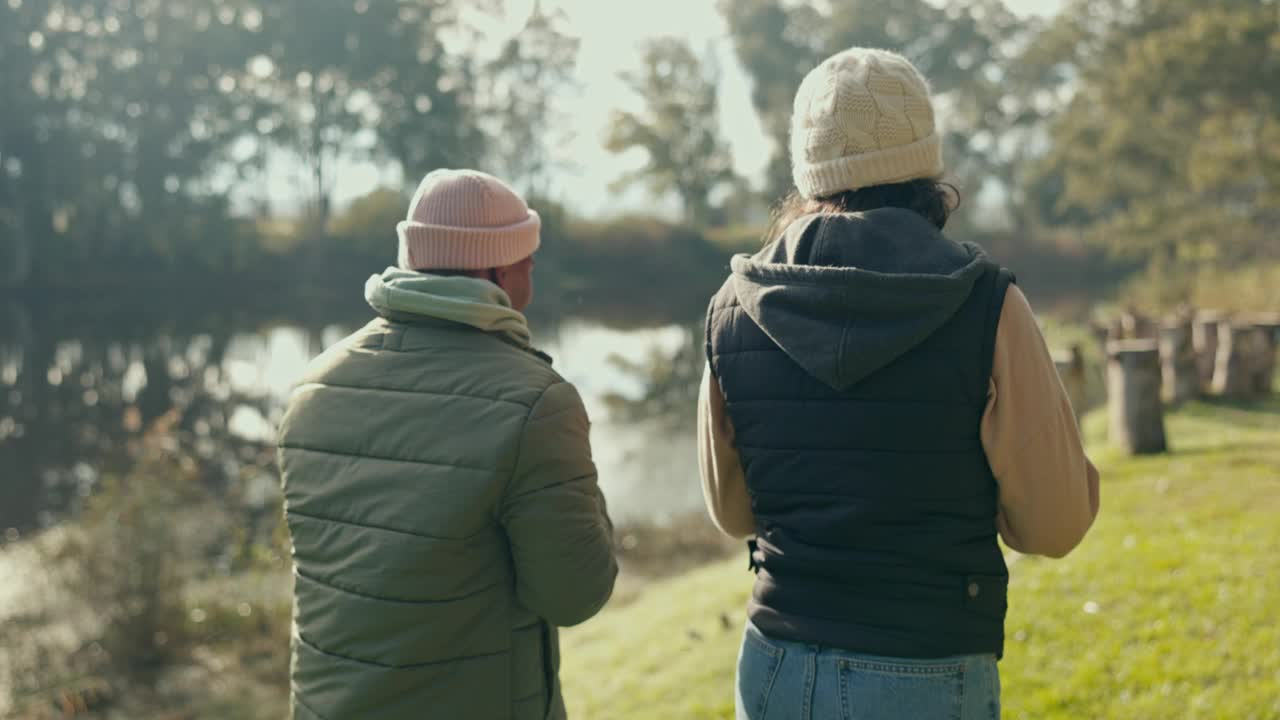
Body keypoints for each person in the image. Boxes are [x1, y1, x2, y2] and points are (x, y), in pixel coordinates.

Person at [699, 48, 1100, 720]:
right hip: (927, 668)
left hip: (775, 663)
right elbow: (1055, 524)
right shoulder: (988, 304)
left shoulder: (732, 306)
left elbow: (733, 513)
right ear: (925, 164)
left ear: (808, 168)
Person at [277, 169, 617, 720]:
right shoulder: (534, 403)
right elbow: (574, 595)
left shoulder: (313, 386)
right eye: (528, 262)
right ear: (499, 271)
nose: (533, 276)